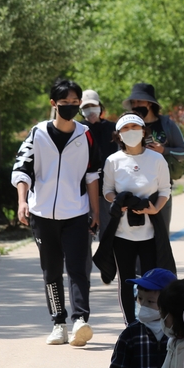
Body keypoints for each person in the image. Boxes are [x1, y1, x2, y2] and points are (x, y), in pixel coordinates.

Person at [12, 77, 101, 346]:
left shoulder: (85, 134)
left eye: (76, 103)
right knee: (51, 270)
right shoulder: (37, 134)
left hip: (75, 213)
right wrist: (22, 201)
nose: (71, 107)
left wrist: (95, 211)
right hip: (42, 215)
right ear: (53, 104)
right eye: (65, 103)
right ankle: (58, 323)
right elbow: (22, 170)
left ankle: (80, 321)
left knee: (77, 269)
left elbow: (92, 175)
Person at [101, 113, 173, 325]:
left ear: (143, 131)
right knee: (125, 280)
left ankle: (152, 320)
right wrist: (119, 202)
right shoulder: (113, 161)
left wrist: (153, 209)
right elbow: (107, 190)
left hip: (150, 231)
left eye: (135, 127)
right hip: (122, 232)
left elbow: (165, 190)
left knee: (151, 280)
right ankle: (129, 324)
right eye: (126, 128)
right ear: (119, 135)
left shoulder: (157, 159)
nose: (131, 131)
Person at [122, 83, 184, 230]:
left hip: (161, 190)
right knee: (134, 237)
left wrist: (163, 150)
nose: (136, 105)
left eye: (140, 101)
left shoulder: (166, 124)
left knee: (160, 235)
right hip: (134, 189)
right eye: (133, 102)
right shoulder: (128, 126)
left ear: (150, 103)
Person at [81, 89, 118, 276]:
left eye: (93, 106)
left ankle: (107, 268)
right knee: (84, 236)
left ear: (100, 107)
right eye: (85, 107)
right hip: (84, 191)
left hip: (107, 190)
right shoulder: (77, 130)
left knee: (108, 232)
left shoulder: (113, 129)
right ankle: (83, 275)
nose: (90, 111)